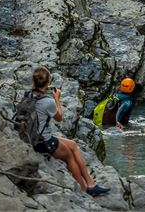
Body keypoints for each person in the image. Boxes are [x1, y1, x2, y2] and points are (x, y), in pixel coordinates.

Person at [30, 66, 111, 196]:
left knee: (73, 145)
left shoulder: (29, 95)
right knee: (69, 156)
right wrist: (57, 99)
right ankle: (84, 189)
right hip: (43, 141)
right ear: (48, 82)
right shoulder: (48, 101)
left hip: (33, 136)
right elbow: (59, 117)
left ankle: (91, 183)